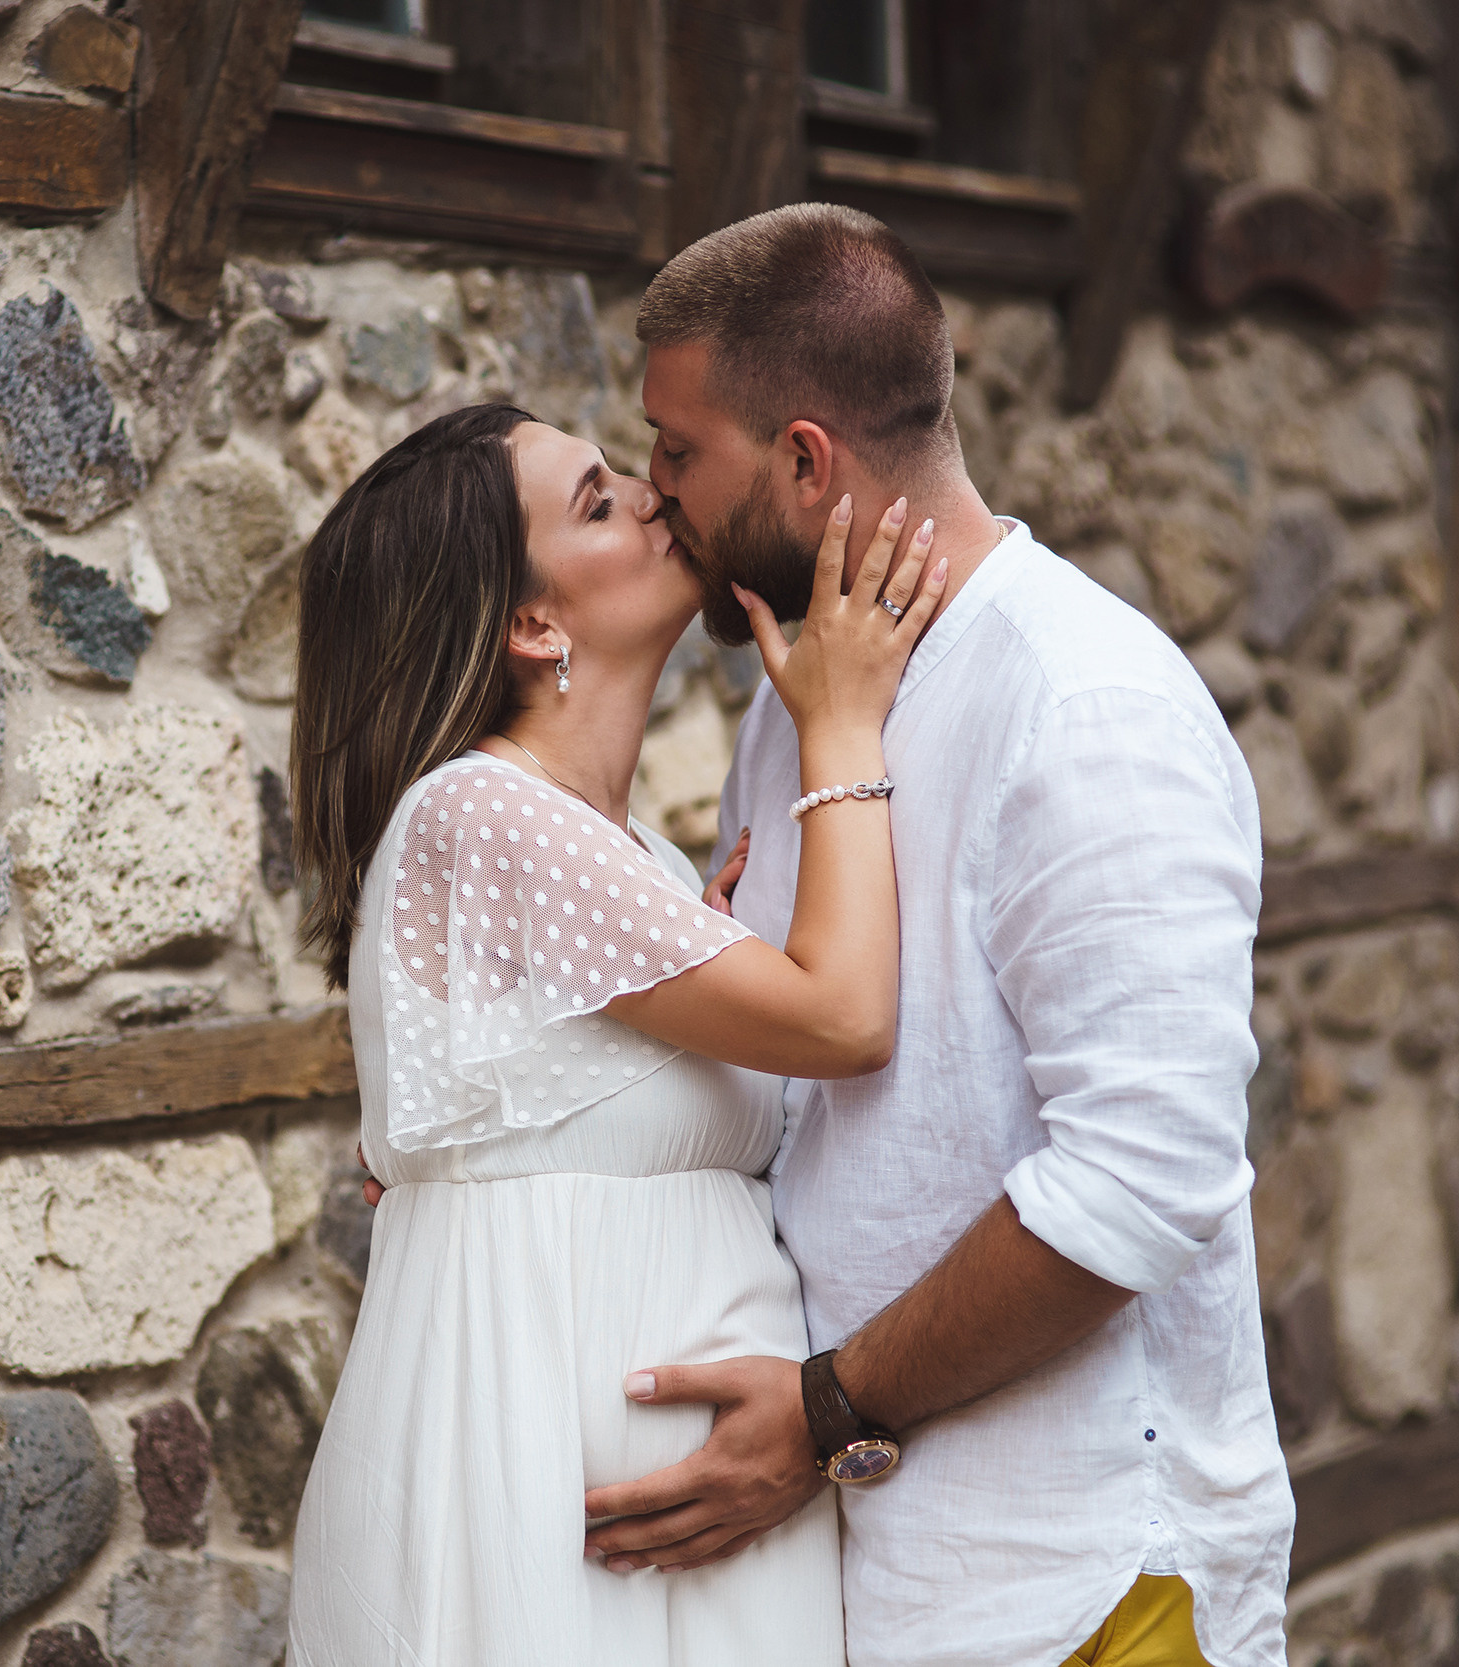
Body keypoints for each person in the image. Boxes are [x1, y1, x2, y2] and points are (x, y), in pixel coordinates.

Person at [580, 204, 1294, 1667]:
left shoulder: (1087, 707)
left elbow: (1138, 1187)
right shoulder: (805, 703)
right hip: (892, 1583)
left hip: (1090, 1583)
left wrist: (828, 1407)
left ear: (801, 460)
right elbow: (811, 1103)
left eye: (676, 452)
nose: (656, 500)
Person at [285, 397, 945, 1664]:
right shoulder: (483, 812)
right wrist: (841, 724)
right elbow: (846, 1015)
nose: (650, 494)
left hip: (699, 1531)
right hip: (544, 1493)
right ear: (533, 623)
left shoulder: (628, 853)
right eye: (596, 502)